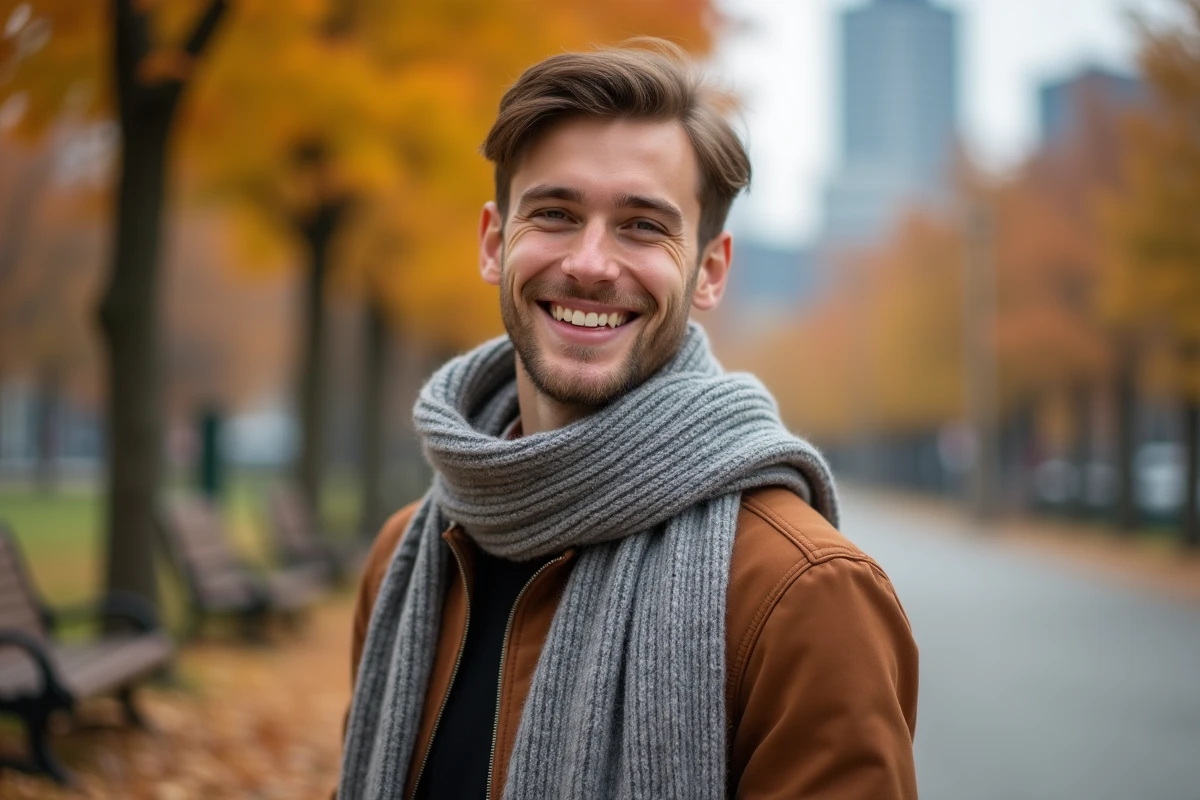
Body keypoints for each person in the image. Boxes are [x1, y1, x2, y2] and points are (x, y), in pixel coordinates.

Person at [337, 39, 918, 800]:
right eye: (554, 212)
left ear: (709, 270)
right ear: (492, 242)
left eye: (642, 226)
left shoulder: (804, 593)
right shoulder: (408, 561)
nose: (590, 263)